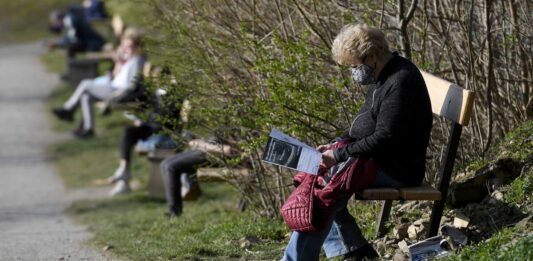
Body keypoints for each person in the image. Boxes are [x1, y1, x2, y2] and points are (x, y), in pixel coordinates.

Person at [282, 24, 433, 261]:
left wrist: (340, 155)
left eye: (354, 65)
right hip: (378, 160)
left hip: (398, 168)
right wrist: (335, 145)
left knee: (324, 187)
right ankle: (354, 250)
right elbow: (363, 125)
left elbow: (385, 137)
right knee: (316, 173)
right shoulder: (383, 75)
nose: (354, 71)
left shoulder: (400, 81)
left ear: (371, 56)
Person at [51, 28, 145, 138]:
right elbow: (118, 75)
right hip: (113, 86)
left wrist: (116, 96)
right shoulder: (129, 57)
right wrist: (118, 62)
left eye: (130, 47)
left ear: (137, 46)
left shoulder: (137, 60)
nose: (126, 49)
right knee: (86, 96)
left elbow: (130, 85)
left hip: (119, 92)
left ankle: (68, 110)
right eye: (125, 46)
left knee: (85, 84)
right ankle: (88, 128)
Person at [160, 137, 235, 217]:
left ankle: (175, 212)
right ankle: (175, 208)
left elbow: (230, 150)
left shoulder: (241, 132)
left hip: (215, 154)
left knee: (170, 167)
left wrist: (203, 145)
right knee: (164, 164)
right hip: (206, 150)